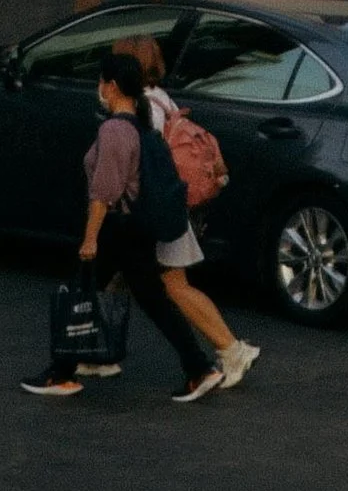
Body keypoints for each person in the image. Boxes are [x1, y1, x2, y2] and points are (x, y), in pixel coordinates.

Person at [22, 54, 224, 404]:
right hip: (136, 229)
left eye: (101, 81)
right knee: (149, 300)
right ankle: (198, 367)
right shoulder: (143, 127)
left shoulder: (114, 129)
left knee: (82, 293)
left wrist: (90, 238)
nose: (98, 88)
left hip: (118, 229)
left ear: (112, 85)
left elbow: (105, 192)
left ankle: (61, 372)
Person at [130, 36, 257, 392]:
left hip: (165, 209)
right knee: (129, 280)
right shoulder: (163, 98)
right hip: (177, 205)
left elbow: (148, 163)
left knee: (175, 286)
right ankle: (91, 354)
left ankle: (231, 349)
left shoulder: (146, 107)